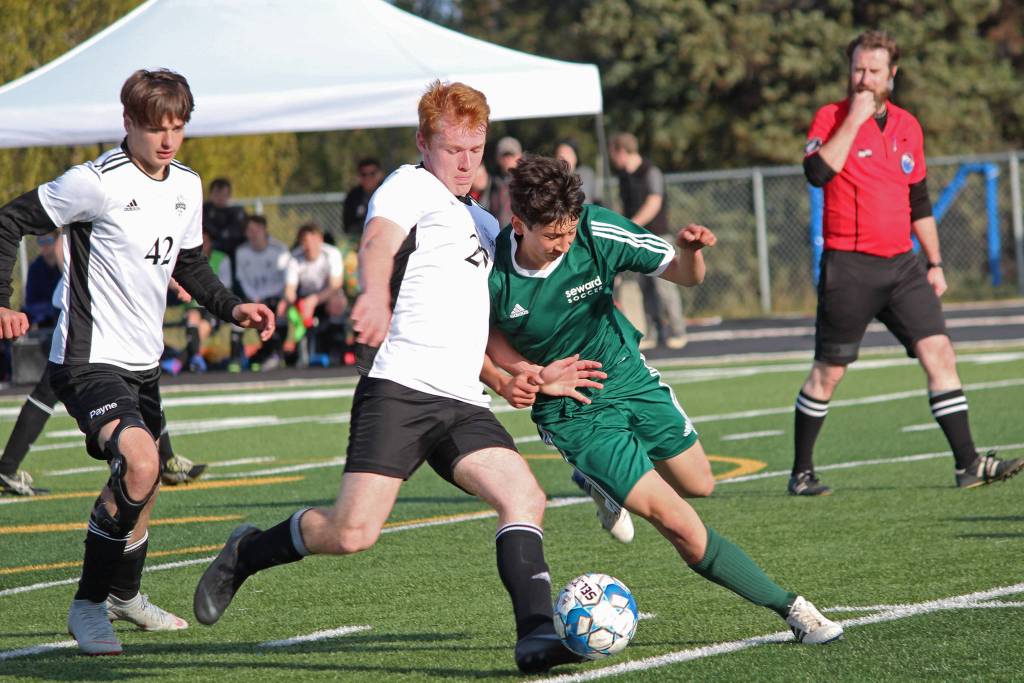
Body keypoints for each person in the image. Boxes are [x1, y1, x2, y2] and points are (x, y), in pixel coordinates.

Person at [193, 81, 602, 675]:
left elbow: (476, 324)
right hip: (401, 390)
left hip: (462, 402)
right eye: (452, 148)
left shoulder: (485, 225)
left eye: (475, 148)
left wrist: (516, 373)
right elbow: (378, 242)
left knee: (524, 496)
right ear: (423, 142)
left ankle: (536, 636)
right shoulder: (409, 187)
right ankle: (248, 550)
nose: (465, 162)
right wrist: (375, 296)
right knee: (353, 532)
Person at [485, 155, 844, 646]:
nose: (565, 245)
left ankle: (597, 482)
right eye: (552, 237)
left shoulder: (595, 231)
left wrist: (691, 252)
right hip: (576, 411)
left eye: (570, 233)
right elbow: (478, 334)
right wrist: (527, 375)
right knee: (680, 524)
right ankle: (794, 610)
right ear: (519, 223)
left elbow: (684, 274)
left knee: (700, 483)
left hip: (627, 373)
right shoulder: (488, 268)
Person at [0, 68, 274, 655]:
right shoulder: (93, 183)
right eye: (156, 128)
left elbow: (190, 266)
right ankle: (88, 605)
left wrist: (234, 308)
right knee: (143, 462)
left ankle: (125, 596)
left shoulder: (188, 186)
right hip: (88, 358)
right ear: (128, 123)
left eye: (178, 128)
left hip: (144, 363)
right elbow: (9, 220)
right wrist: (4, 301)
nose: (168, 140)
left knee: (143, 486)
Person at [792, 30, 1024, 495]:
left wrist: (934, 262)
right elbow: (817, 173)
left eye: (874, 71)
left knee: (939, 353)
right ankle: (801, 473)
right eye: (858, 69)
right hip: (849, 266)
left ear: (891, 75)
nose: (864, 78)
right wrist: (853, 120)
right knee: (829, 372)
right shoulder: (830, 117)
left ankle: (968, 464)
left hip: (903, 267)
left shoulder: (908, 126)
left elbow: (918, 201)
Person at [609, 132, 688, 350]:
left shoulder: (650, 172)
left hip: (658, 237)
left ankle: (678, 331)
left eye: (613, 153)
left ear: (621, 151)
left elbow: (654, 203)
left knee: (665, 287)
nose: (612, 159)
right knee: (645, 288)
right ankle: (653, 333)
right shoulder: (624, 177)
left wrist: (630, 226)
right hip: (637, 239)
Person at [281, 223, 347, 365]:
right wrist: (294, 304)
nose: (309, 245)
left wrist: (314, 300)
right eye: (305, 241)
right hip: (304, 300)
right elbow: (289, 290)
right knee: (281, 308)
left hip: (326, 297)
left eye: (313, 240)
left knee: (338, 302)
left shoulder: (332, 253)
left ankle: (336, 346)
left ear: (320, 240)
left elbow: (336, 285)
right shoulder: (294, 258)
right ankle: (284, 350)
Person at [231, 214, 290, 370]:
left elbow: (285, 280)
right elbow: (242, 280)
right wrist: (255, 298)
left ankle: (277, 353)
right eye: (250, 230)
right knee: (237, 311)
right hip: (253, 298)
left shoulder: (280, 250)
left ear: (265, 230)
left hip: (275, 297)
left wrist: (265, 297)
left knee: (279, 312)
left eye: (257, 229)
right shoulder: (241, 252)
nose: (254, 233)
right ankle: (236, 359)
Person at [181, 228, 233, 372]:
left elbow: (225, 287)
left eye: (206, 242)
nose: (203, 246)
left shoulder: (222, 259)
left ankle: (183, 360)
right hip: (194, 305)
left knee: (204, 325)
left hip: (214, 305)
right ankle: (194, 359)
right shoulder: (185, 260)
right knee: (192, 318)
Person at [202, 177, 247, 261]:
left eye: (224, 195)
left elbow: (238, 234)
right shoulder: (203, 210)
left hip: (234, 252)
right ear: (210, 195)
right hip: (210, 254)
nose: (220, 198)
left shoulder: (237, 212)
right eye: (217, 195)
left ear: (229, 195)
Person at [342, 158, 385, 239]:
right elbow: (348, 226)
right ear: (359, 176)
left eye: (372, 173)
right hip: (359, 240)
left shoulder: (388, 193)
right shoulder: (353, 196)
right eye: (364, 174)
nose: (368, 178)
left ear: (380, 174)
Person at [488, 135, 522, 227]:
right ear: (497, 158)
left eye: (511, 155)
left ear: (519, 156)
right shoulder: (490, 183)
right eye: (504, 155)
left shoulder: (526, 183)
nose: (508, 159)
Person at [554, 139, 599, 205]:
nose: (564, 158)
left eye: (568, 153)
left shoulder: (587, 173)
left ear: (575, 156)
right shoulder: (552, 178)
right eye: (560, 155)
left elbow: (597, 199)